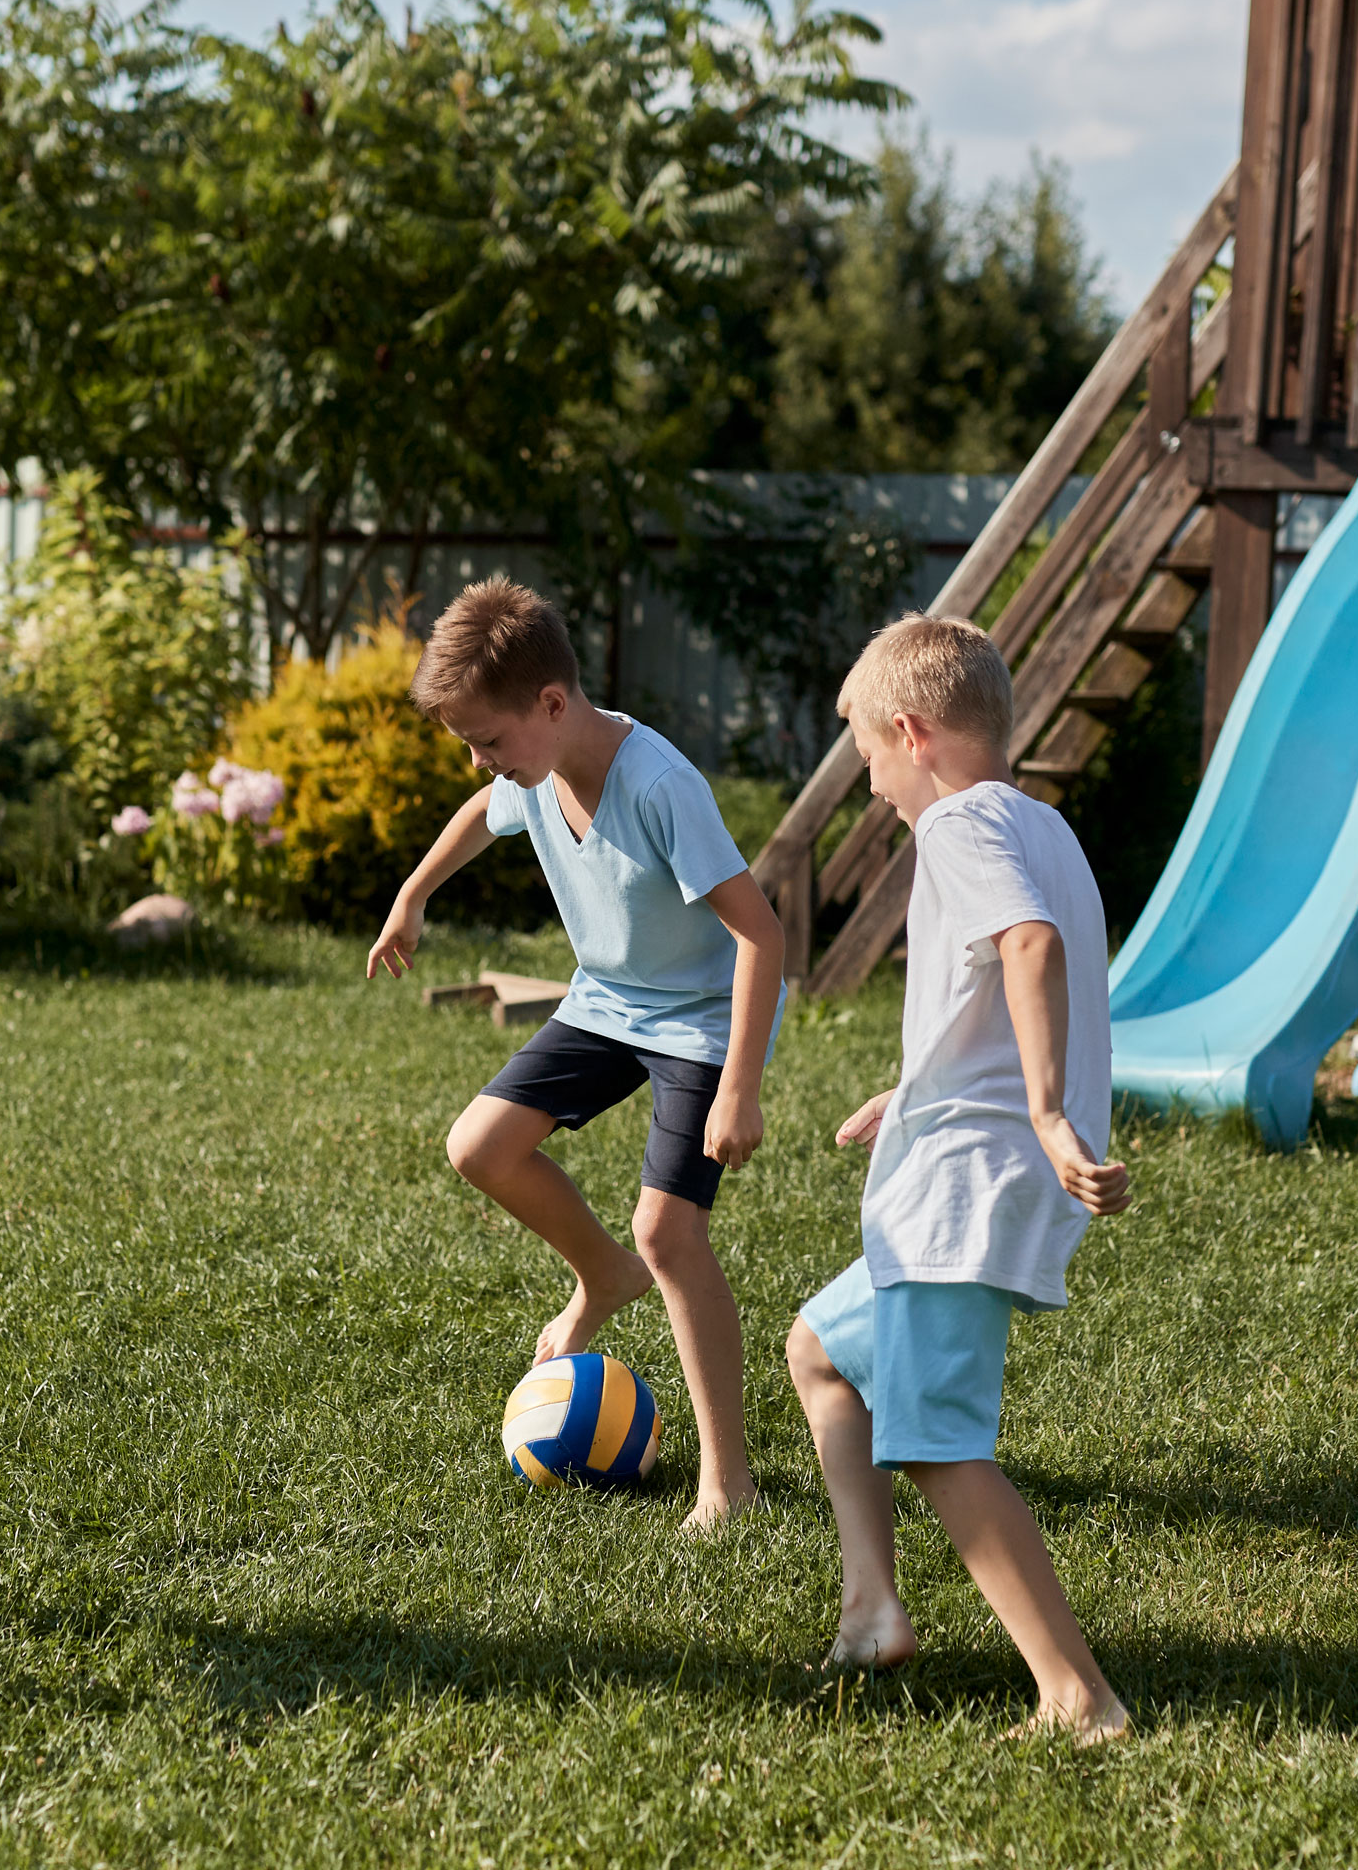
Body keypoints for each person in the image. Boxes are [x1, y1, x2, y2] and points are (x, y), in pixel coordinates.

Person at [367, 577, 784, 1529]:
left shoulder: (660, 785)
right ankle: (603, 1275)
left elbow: (762, 935)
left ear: (551, 704)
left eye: (488, 741)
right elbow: (482, 817)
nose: (481, 763)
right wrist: (413, 895)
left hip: (701, 1018)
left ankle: (729, 1480)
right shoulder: (537, 770)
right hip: (610, 1000)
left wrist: (740, 1092)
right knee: (479, 1146)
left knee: (670, 1234)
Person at [784, 613, 1132, 1742]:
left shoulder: (958, 826)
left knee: (937, 1441)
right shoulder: (1043, 823)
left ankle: (1078, 1696)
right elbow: (1005, 981)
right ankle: (871, 1605)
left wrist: (1038, 1113)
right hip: (965, 1159)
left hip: (963, 1188)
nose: (870, 779)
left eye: (866, 750)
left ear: (912, 730)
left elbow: (1027, 944)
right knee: (822, 1349)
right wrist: (921, 1083)